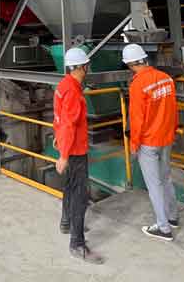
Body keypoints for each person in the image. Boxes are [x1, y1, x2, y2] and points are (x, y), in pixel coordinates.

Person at [123, 43, 179, 241]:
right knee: (166, 178)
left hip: (148, 142)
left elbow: (137, 119)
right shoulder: (166, 78)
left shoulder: (138, 85)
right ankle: (172, 216)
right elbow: (174, 108)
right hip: (166, 137)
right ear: (144, 59)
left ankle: (163, 228)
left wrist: (134, 144)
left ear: (130, 65)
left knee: (154, 185)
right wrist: (172, 130)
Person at [54, 47, 103, 264]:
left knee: (69, 186)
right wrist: (64, 155)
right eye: (87, 65)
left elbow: (58, 117)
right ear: (83, 67)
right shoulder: (73, 91)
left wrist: (59, 141)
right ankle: (77, 244)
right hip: (75, 150)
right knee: (79, 195)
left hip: (67, 145)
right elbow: (69, 124)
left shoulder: (63, 85)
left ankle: (66, 223)